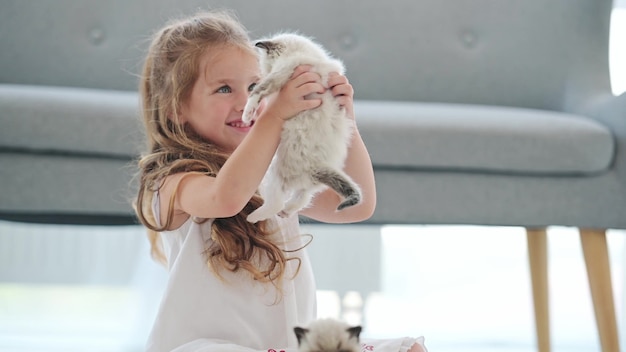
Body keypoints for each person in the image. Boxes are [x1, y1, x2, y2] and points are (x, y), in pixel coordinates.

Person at [134, 9, 427, 352]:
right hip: (209, 346)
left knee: (408, 349)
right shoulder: (172, 182)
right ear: (176, 108)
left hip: (285, 345)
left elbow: (354, 208)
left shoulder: (274, 170)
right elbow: (226, 197)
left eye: (255, 86)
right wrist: (272, 117)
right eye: (224, 89)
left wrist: (345, 124)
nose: (245, 101)